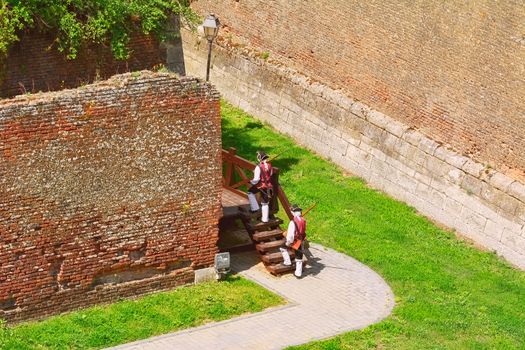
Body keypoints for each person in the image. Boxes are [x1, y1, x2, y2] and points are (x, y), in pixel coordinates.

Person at [280, 204, 306, 277]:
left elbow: (290, 235)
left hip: (295, 240)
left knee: (282, 247)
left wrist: (289, 243)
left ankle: (287, 262)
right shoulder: (303, 220)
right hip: (301, 240)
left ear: (293, 212)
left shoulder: (293, 222)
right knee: (299, 257)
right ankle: (298, 273)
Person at [247, 151, 274, 222]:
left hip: (260, 186)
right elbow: (270, 174)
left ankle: (254, 208)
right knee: (265, 203)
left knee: (250, 192)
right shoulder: (270, 165)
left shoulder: (258, 167)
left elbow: (256, 179)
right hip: (268, 186)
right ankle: (265, 219)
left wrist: (251, 182)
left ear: (259, 159)